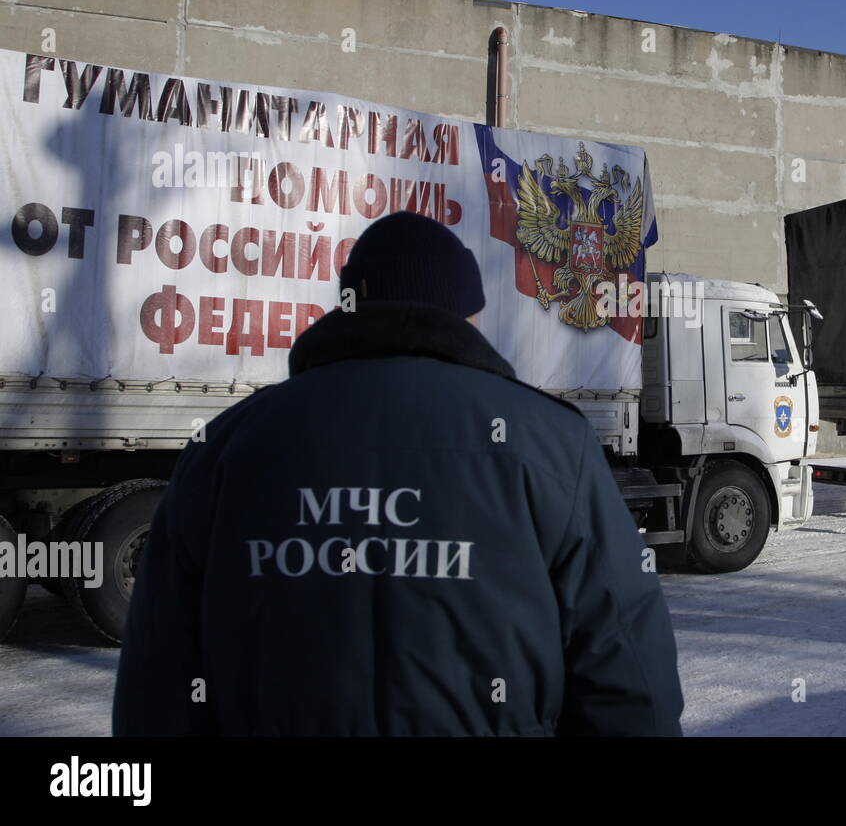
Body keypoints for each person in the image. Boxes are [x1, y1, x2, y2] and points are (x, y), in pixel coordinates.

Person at [113, 211, 684, 736]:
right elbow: (624, 665)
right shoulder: (551, 444)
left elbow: (159, 678)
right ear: (466, 314)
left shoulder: (227, 446)